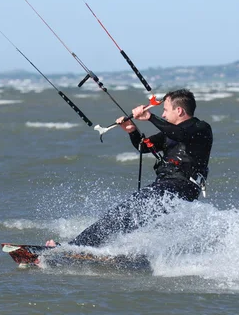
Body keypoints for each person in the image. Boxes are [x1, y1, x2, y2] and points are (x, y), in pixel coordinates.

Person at [46, 89, 213, 248]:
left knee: (124, 213)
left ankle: (74, 247)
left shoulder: (201, 128)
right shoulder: (169, 133)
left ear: (179, 111)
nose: (163, 114)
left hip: (181, 186)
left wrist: (149, 117)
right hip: (165, 186)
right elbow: (144, 147)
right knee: (126, 217)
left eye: (165, 110)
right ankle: (96, 249)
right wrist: (132, 131)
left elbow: (180, 134)